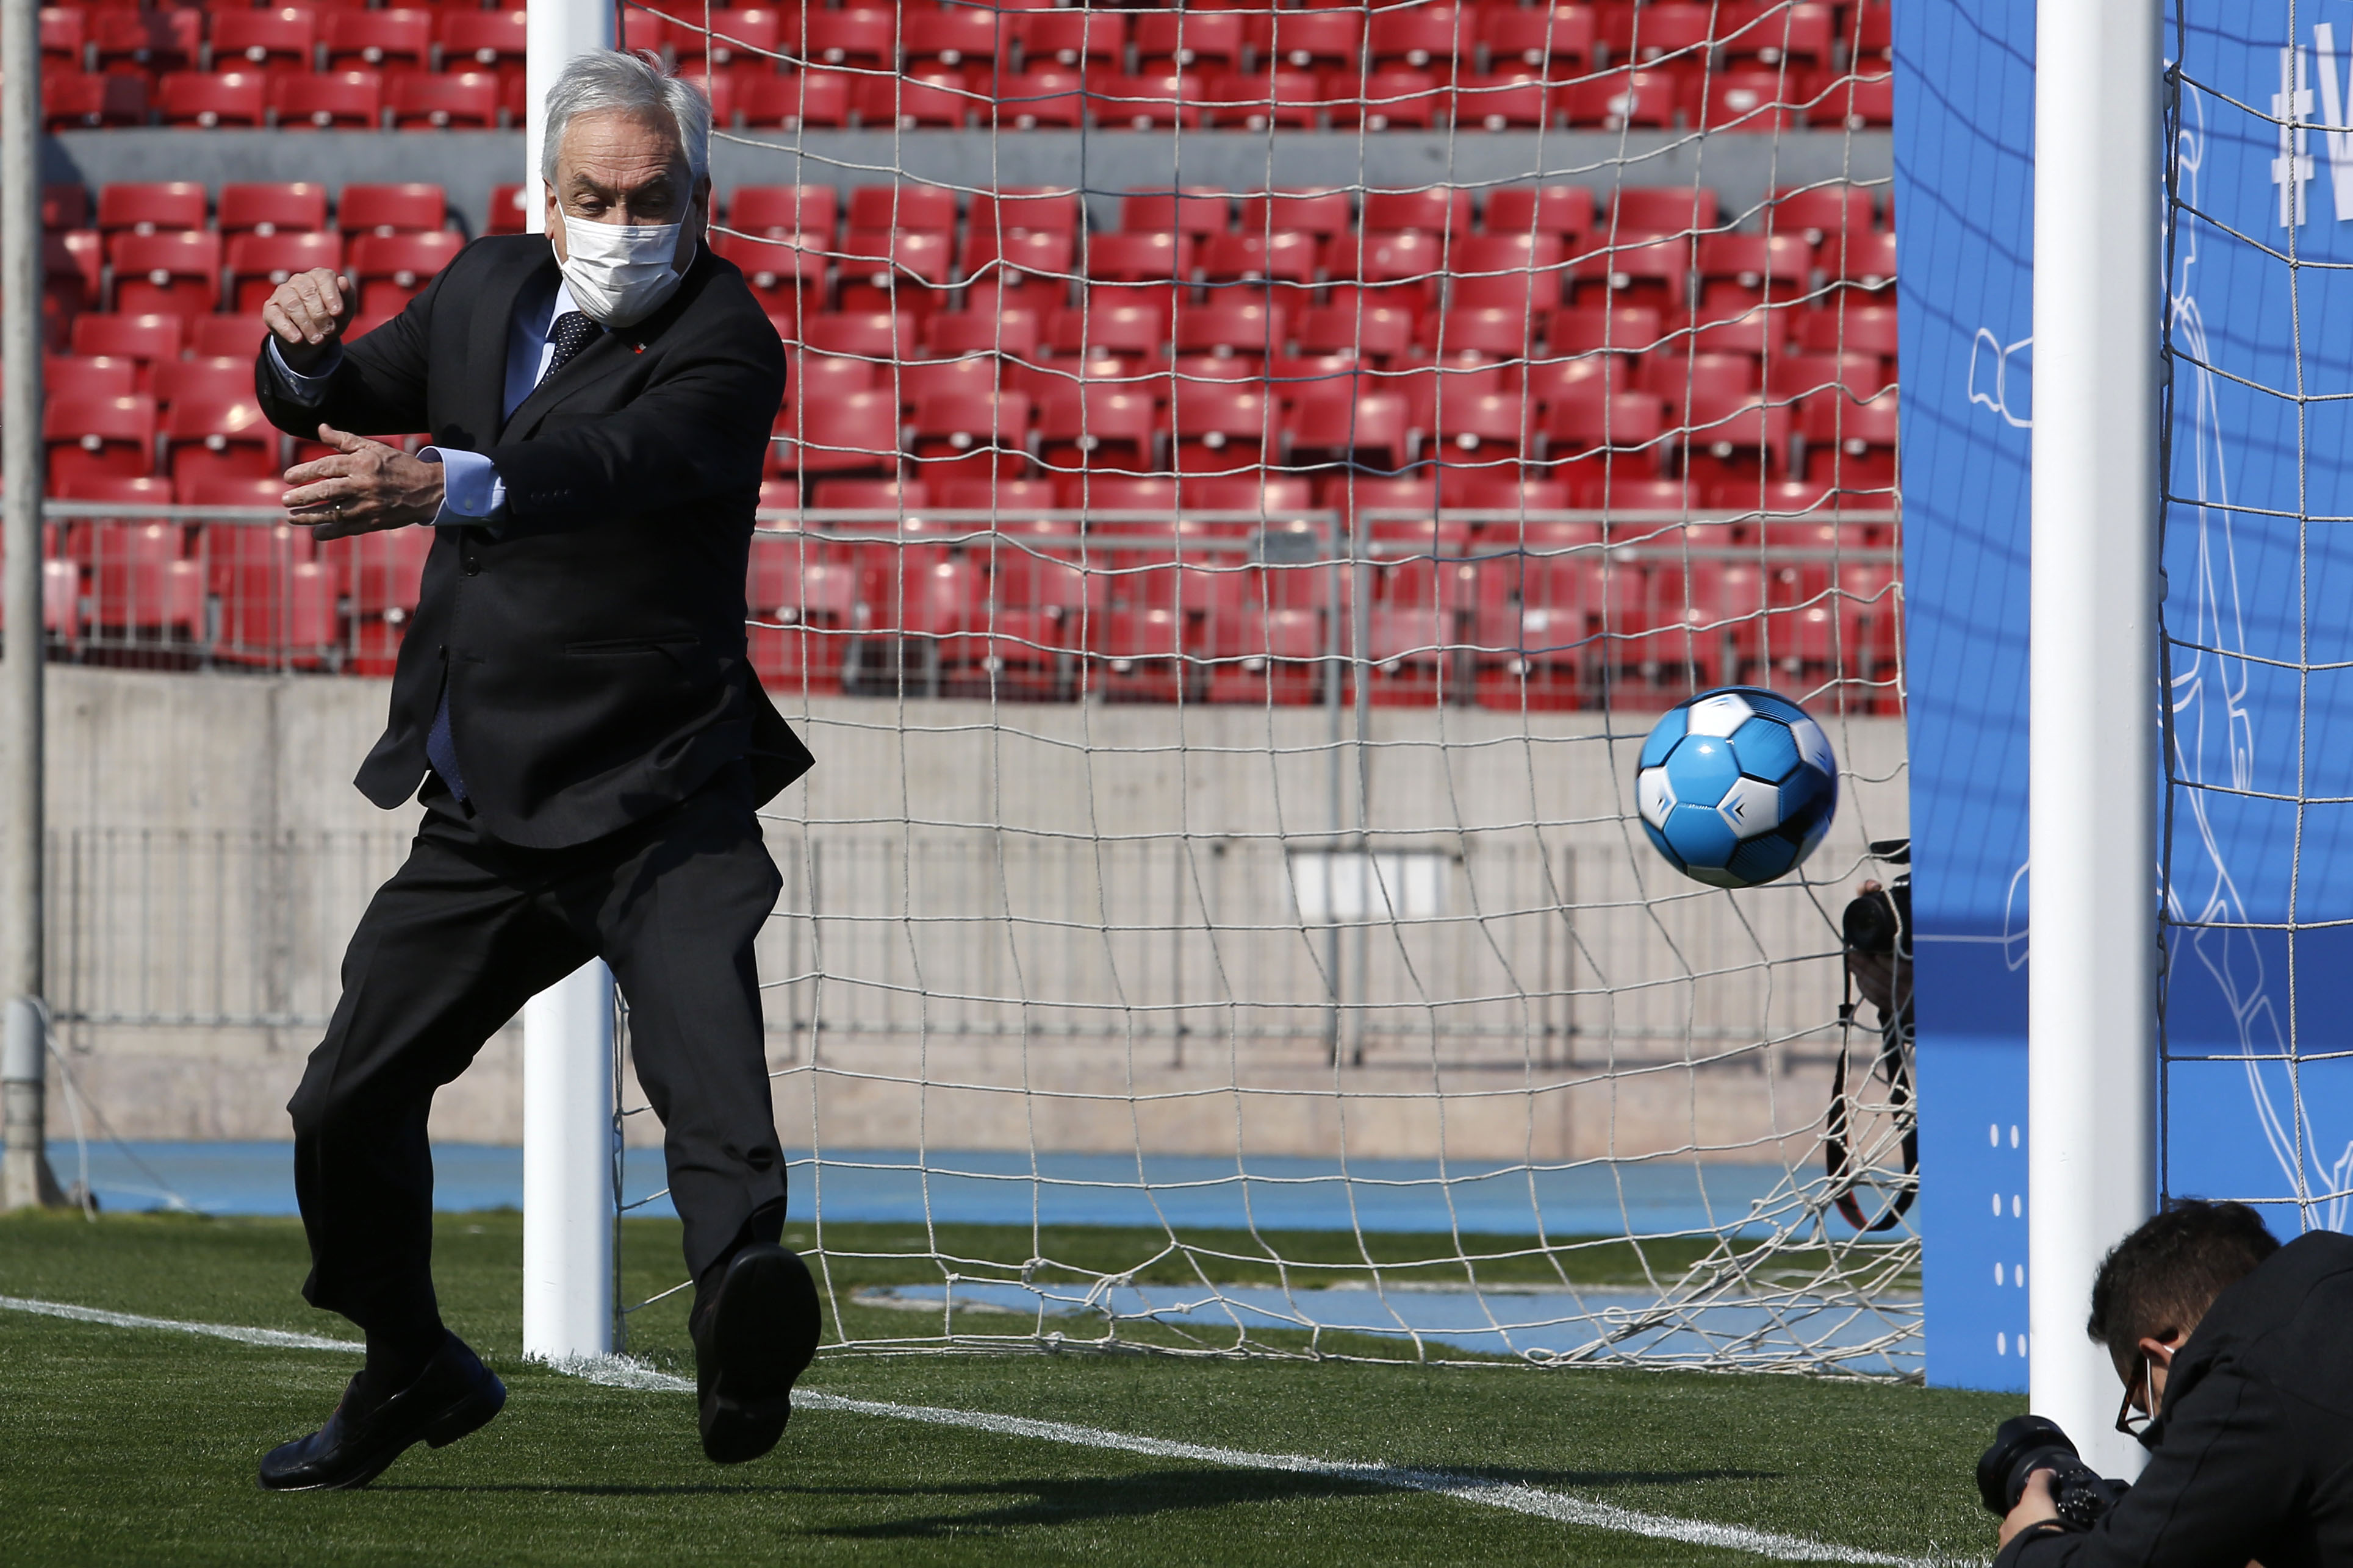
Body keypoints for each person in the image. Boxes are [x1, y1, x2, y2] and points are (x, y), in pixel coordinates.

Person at [246, 49, 815, 1491]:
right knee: (342, 1106)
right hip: (488, 805)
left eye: (655, 195)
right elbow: (337, 390)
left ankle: (744, 1338)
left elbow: (617, 465)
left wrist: (448, 481)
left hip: (664, 796)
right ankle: (408, 1359)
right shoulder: (484, 283)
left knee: (713, 1094)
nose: (627, 219)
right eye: (596, 195)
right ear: (544, 199)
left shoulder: (731, 337)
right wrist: (301, 350)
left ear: (701, 196)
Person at [1995, 1198, 2353, 1566]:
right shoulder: (2332, 1272)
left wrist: (2030, 1542)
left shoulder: (2243, 1384)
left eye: (2147, 1406)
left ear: (2160, 1356)